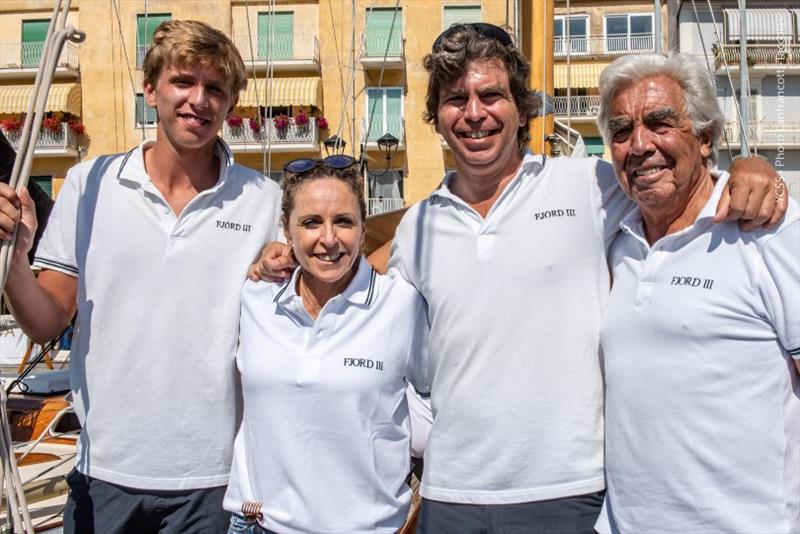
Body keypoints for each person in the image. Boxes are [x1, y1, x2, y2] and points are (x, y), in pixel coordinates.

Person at [251, 24, 787, 533]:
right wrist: (286, 257)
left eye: (491, 96)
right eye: (456, 99)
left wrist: (751, 169)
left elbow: (674, 174)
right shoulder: (418, 225)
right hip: (451, 494)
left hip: (570, 494)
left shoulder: (590, 184)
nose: (474, 113)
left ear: (521, 108)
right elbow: (341, 276)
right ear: (436, 116)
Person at [0, 20, 282, 533]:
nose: (199, 100)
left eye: (215, 88)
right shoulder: (91, 185)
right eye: (183, 82)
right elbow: (46, 322)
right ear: (150, 89)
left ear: (230, 104)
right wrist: (15, 261)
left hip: (215, 481)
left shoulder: (265, 199)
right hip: (106, 476)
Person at [595, 53, 799, 533]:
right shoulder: (613, 237)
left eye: (661, 123)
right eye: (621, 132)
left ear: (705, 138)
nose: (639, 145)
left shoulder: (770, 231)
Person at [223, 156, 429, 534]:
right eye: (311, 222)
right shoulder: (255, 296)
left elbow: (435, 402)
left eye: (344, 222)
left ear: (363, 231)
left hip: (370, 528)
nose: (329, 238)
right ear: (286, 231)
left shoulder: (401, 304)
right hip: (258, 525)